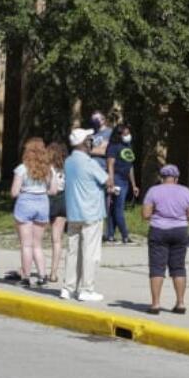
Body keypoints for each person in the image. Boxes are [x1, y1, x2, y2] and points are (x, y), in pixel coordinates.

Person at [61, 128, 108, 301]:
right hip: (91, 213)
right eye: (89, 139)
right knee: (90, 252)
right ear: (83, 143)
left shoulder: (68, 161)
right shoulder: (89, 163)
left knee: (73, 251)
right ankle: (87, 289)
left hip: (73, 211)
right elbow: (106, 180)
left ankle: (68, 287)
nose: (91, 142)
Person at [142, 165, 189, 314]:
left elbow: (146, 214)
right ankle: (180, 303)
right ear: (176, 178)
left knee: (157, 268)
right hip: (179, 231)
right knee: (178, 267)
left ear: (161, 177)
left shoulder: (154, 191)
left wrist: (159, 215)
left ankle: (155, 304)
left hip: (158, 230)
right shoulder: (186, 191)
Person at [8, 138, 53, 287]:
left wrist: (23, 190)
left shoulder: (21, 169)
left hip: (25, 202)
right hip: (42, 203)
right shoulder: (48, 169)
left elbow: (14, 192)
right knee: (37, 244)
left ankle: (26, 277)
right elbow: (53, 190)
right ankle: (42, 276)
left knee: (26, 245)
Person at [105, 124, 138, 244]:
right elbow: (110, 164)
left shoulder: (128, 146)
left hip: (125, 180)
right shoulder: (113, 146)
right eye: (125, 134)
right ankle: (125, 236)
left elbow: (130, 166)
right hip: (117, 179)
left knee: (115, 208)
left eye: (128, 133)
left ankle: (110, 236)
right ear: (119, 134)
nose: (128, 136)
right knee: (118, 208)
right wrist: (111, 181)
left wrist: (134, 184)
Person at [46, 142, 67, 284]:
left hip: (49, 199)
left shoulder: (48, 168)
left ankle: (29, 268)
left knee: (37, 237)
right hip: (63, 200)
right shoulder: (66, 168)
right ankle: (54, 272)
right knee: (57, 239)